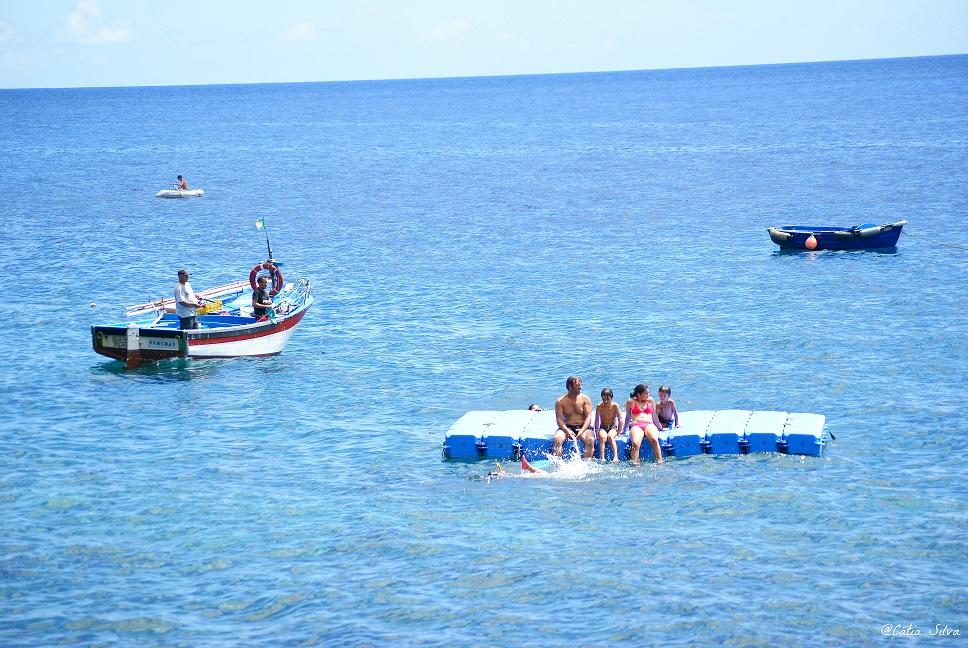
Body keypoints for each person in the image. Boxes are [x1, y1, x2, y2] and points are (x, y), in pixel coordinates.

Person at [552, 375, 594, 458]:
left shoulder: (585, 399)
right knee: (557, 439)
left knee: (590, 439)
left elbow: (588, 418)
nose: (580, 387)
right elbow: (559, 420)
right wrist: (567, 431)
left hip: (583, 427)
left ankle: (586, 463)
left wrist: (582, 431)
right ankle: (559, 465)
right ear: (570, 386)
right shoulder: (560, 401)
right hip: (567, 427)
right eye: (578, 385)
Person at [624, 384, 663, 464]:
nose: (648, 395)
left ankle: (660, 461)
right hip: (636, 425)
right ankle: (635, 463)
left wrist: (660, 427)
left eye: (648, 393)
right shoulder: (630, 402)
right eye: (646, 393)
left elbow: (654, 416)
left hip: (649, 424)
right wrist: (623, 430)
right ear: (638, 394)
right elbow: (628, 417)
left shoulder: (650, 400)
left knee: (654, 440)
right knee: (635, 443)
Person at [594, 387, 624, 462]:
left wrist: (619, 431)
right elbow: (597, 420)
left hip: (612, 427)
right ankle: (602, 457)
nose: (606, 401)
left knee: (610, 436)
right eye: (604, 399)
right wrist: (596, 432)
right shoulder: (599, 406)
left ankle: (615, 457)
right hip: (603, 427)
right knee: (602, 437)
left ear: (612, 398)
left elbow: (620, 419)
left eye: (608, 399)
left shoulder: (615, 406)